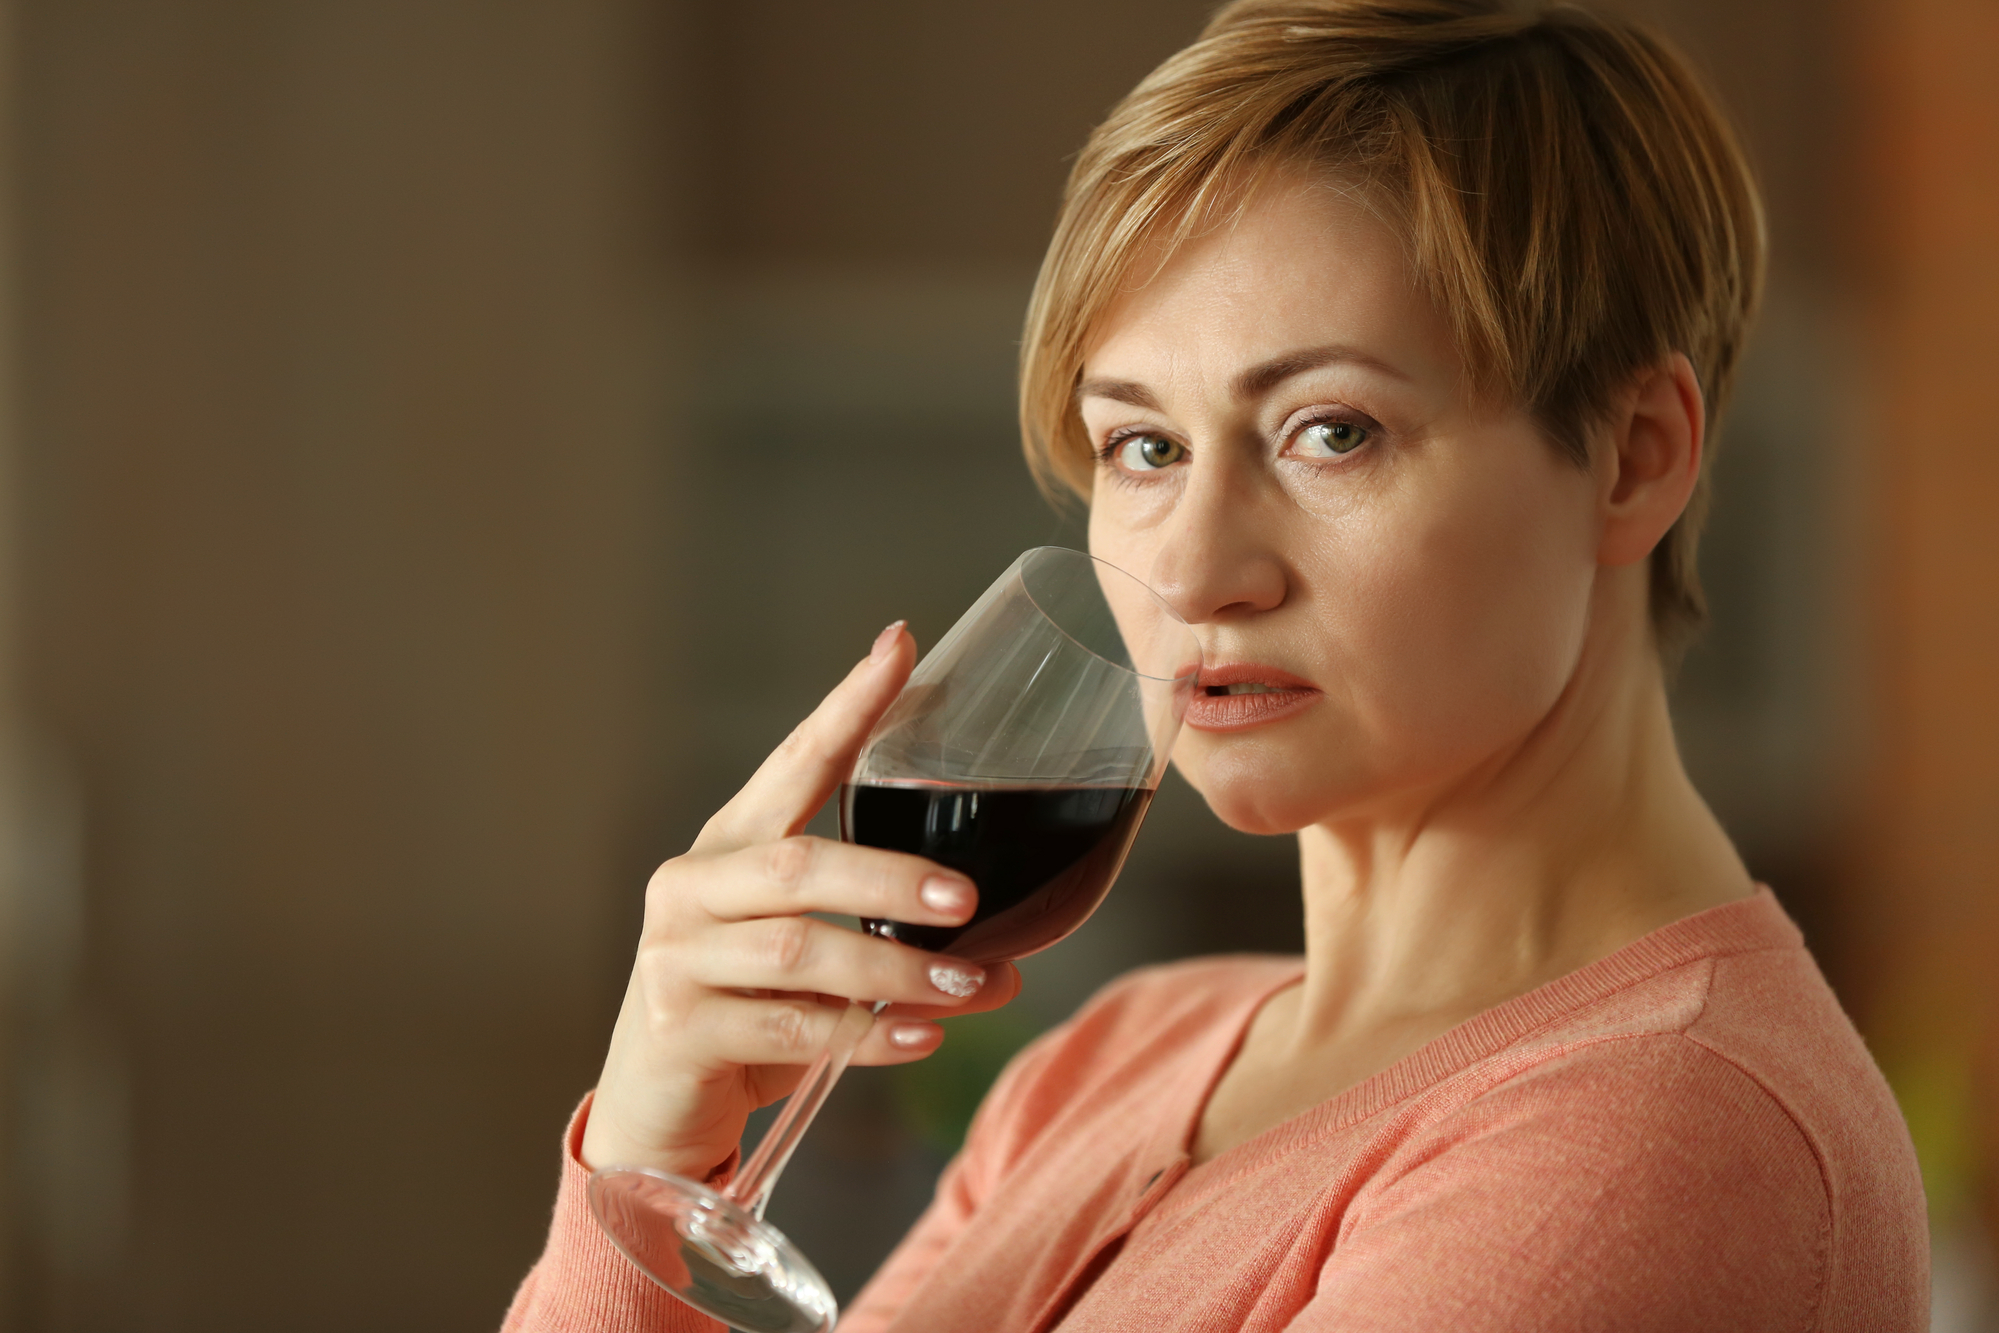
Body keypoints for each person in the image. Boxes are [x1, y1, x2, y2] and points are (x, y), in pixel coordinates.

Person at [504, 2, 1929, 1329]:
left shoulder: (1661, 1131)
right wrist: (640, 1165)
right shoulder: (1112, 1060)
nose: (1189, 573)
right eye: (1145, 445)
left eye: (1330, 430)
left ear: (1635, 456)